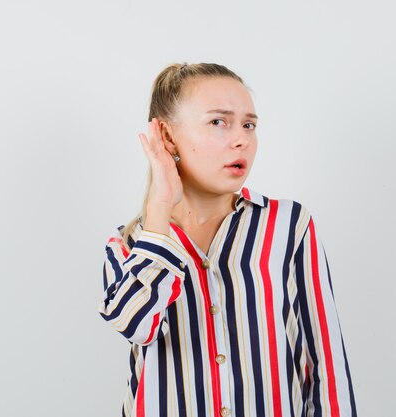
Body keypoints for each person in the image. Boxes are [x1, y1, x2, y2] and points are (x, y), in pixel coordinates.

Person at [98, 62, 357, 417]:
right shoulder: (128, 244)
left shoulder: (289, 225)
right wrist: (160, 207)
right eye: (219, 122)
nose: (242, 139)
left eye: (249, 125)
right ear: (168, 137)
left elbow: (325, 363)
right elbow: (136, 326)